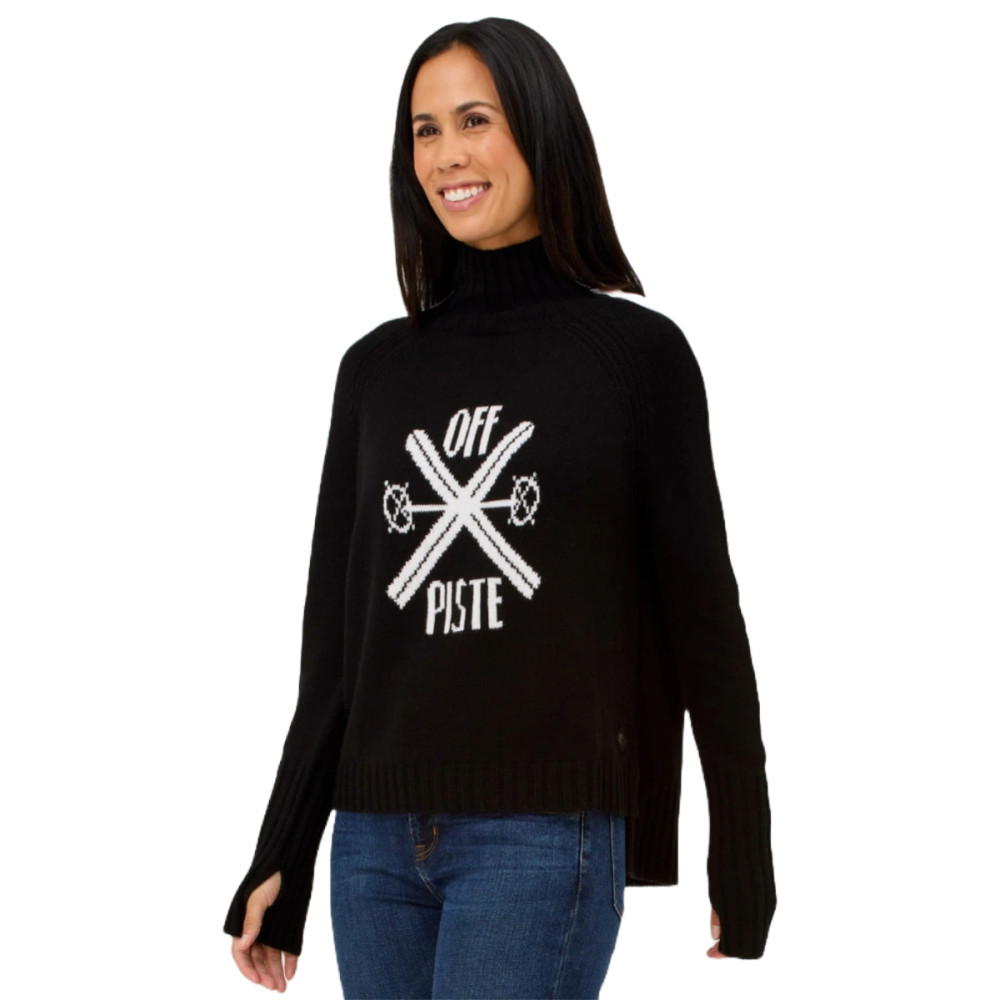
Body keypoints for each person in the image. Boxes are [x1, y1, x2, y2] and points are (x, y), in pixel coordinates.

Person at [224, 16, 777, 996]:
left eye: (474, 119)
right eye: (424, 129)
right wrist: (284, 849)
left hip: (539, 830)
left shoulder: (634, 358)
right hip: (374, 841)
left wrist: (742, 843)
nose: (447, 154)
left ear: (540, 128)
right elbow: (337, 642)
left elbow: (705, 620)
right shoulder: (374, 371)